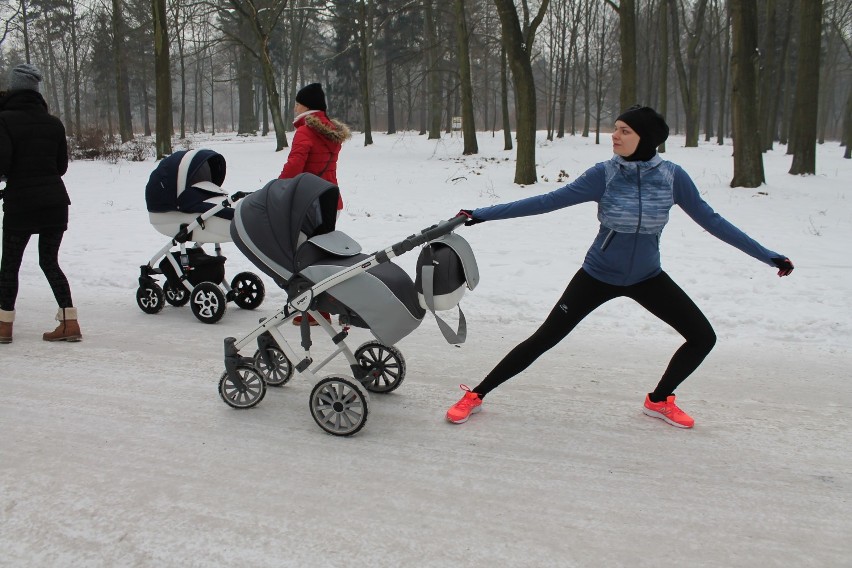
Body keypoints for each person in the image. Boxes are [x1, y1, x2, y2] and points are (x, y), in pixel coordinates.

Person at [446, 105, 794, 428]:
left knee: (703, 337)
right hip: (598, 275)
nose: (615, 135)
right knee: (543, 339)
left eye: (624, 131)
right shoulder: (605, 175)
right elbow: (547, 201)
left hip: (647, 277)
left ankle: (658, 400)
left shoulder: (673, 177)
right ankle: (476, 394)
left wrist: (768, 256)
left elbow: (714, 221)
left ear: (645, 138)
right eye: (615, 129)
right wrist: (482, 214)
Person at [0, 63, 82, 344]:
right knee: (50, 261)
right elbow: (60, 167)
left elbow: (3, 165)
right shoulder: (54, 123)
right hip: (54, 203)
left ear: (13, 88)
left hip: (20, 203)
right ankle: (70, 323)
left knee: (10, 265)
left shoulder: (4, 119)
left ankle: (4, 325)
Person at [280, 82, 351, 326]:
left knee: (306, 257)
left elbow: (294, 166)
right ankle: (324, 305)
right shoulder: (331, 132)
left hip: (310, 203)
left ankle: (314, 310)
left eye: (297, 104)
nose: (295, 108)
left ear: (305, 106)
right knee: (322, 255)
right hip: (332, 199)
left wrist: (277, 188)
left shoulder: (305, 132)